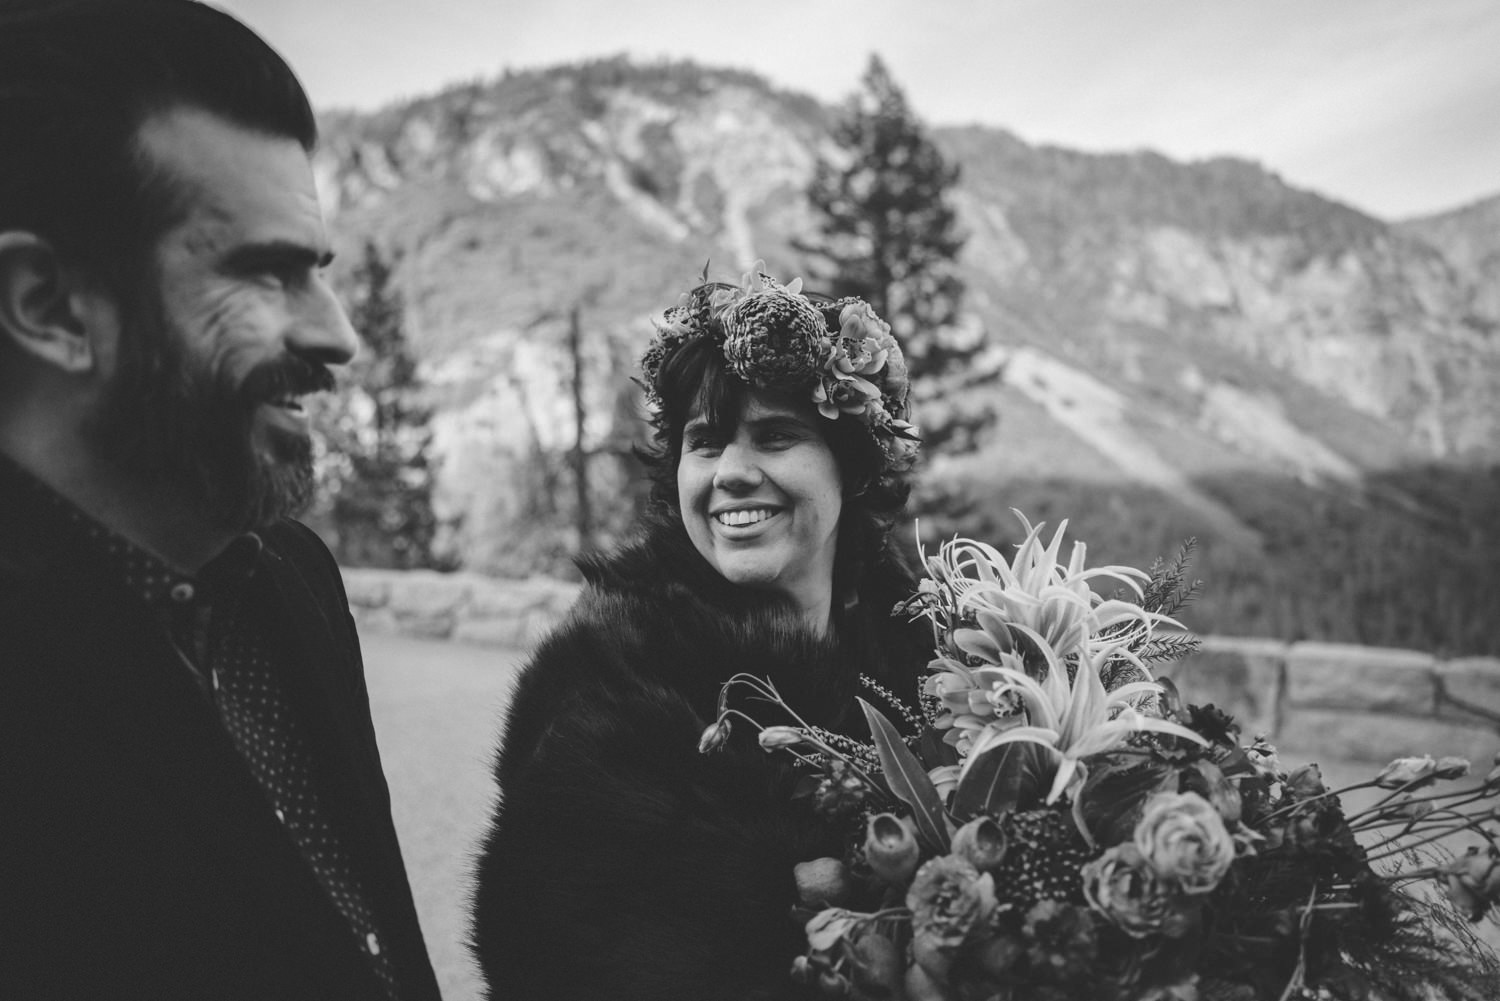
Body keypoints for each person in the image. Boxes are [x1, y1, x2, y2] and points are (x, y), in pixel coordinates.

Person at [0, 2, 440, 998]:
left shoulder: (294, 577)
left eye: (317, 272)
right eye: (268, 273)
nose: (338, 337)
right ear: (52, 306)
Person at [470, 264, 929, 999]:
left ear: (851, 468)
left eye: (776, 436)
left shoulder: (928, 656)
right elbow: (542, 955)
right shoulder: (612, 675)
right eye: (706, 441)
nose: (732, 473)